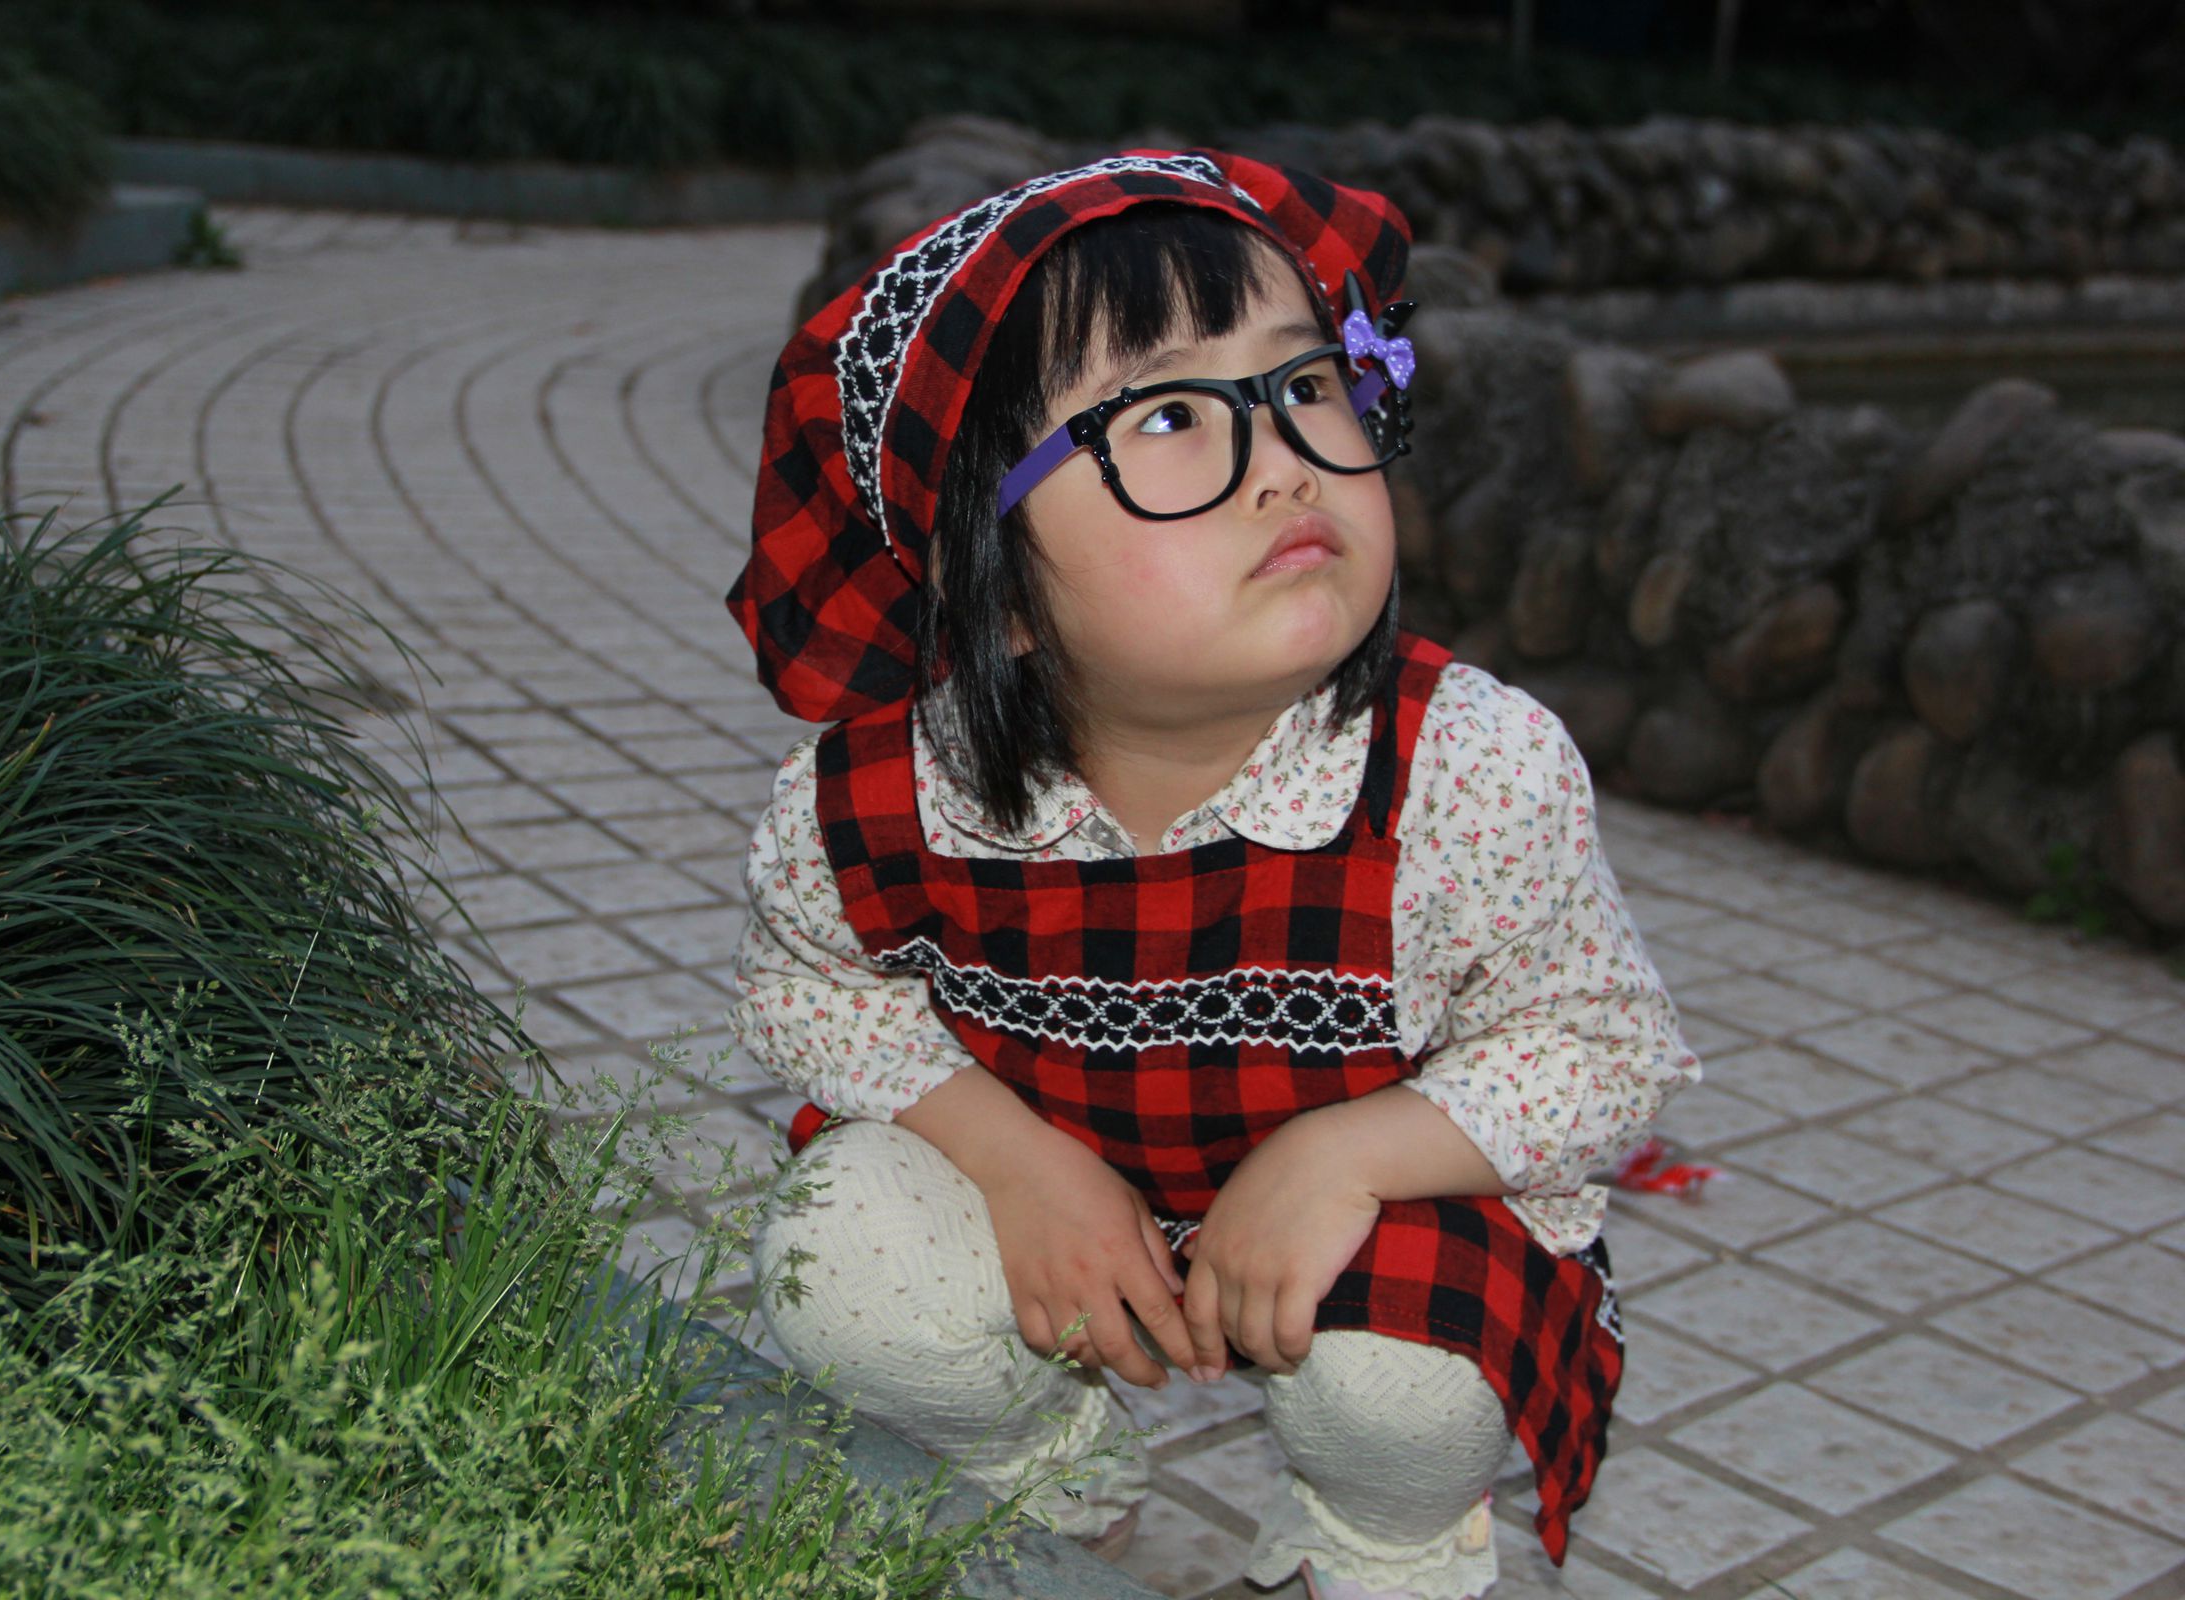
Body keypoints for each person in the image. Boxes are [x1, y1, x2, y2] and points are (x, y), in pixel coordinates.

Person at [722, 148, 1697, 1600]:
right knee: (839, 1260)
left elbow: (1603, 1045)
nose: (1289, 456)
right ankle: (1047, 1473)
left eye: (1307, 382)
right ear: (993, 586)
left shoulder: (1470, 767)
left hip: (1367, 1213)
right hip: (1063, 1177)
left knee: (1404, 1399)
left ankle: (1375, 1542)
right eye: (1170, 415)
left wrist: (1346, 1155)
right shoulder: (881, 802)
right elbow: (808, 993)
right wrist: (1018, 1164)